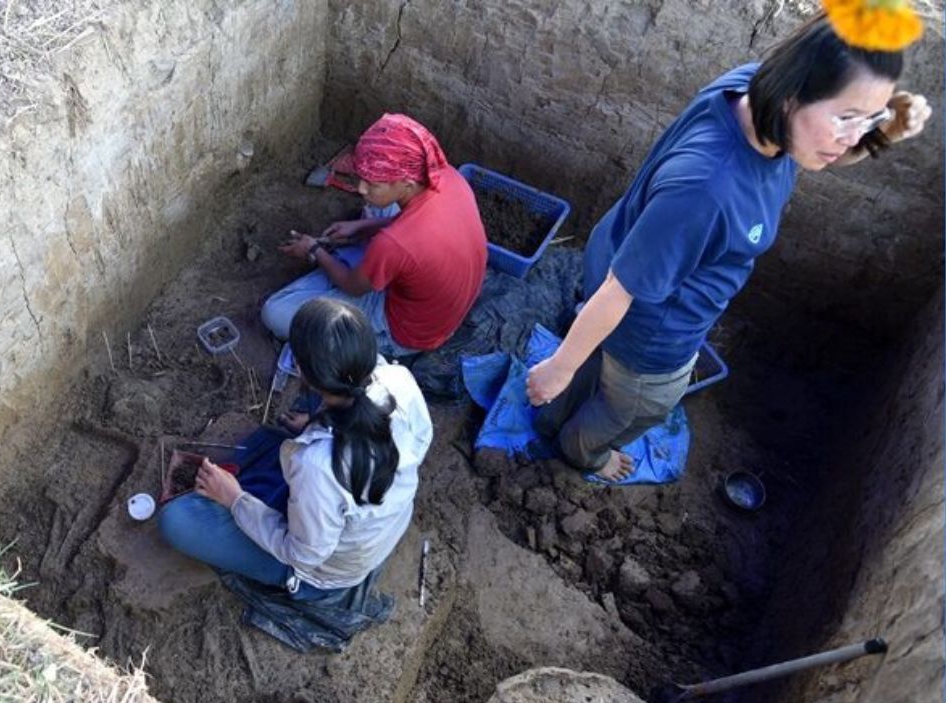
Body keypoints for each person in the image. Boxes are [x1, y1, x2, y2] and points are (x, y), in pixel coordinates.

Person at [525, 10, 932, 481]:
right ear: (793, 96)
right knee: (634, 409)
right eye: (847, 118)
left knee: (596, 364)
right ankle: (582, 452)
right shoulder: (709, 190)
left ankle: (562, 404)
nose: (855, 137)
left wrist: (883, 131)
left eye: (869, 118)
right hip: (650, 330)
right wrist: (559, 367)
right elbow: (621, 290)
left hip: (623, 262)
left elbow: (825, 147)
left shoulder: (754, 93)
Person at [159, 297, 432, 606]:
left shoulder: (318, 465)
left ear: (300, 368)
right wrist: (317, 423)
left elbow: (303, 554)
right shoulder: (398, 379)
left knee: (176, 521)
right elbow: (410, 440)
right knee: (274, 442)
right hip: (375, 524)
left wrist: (234, 499)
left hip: (321, 571)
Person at [261, 114, 488, 358]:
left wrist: (314, 250)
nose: (361, 188)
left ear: (407, 183)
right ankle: (364, 257)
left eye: (373, 184)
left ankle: (354, 270)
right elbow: (418, 225)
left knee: (274, 313)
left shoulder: (393, 244)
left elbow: (352, 286)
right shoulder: (449, 177)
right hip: (440, 299)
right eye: (362, 179)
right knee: (381, 210)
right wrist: (363, 226)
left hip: (408, 330)